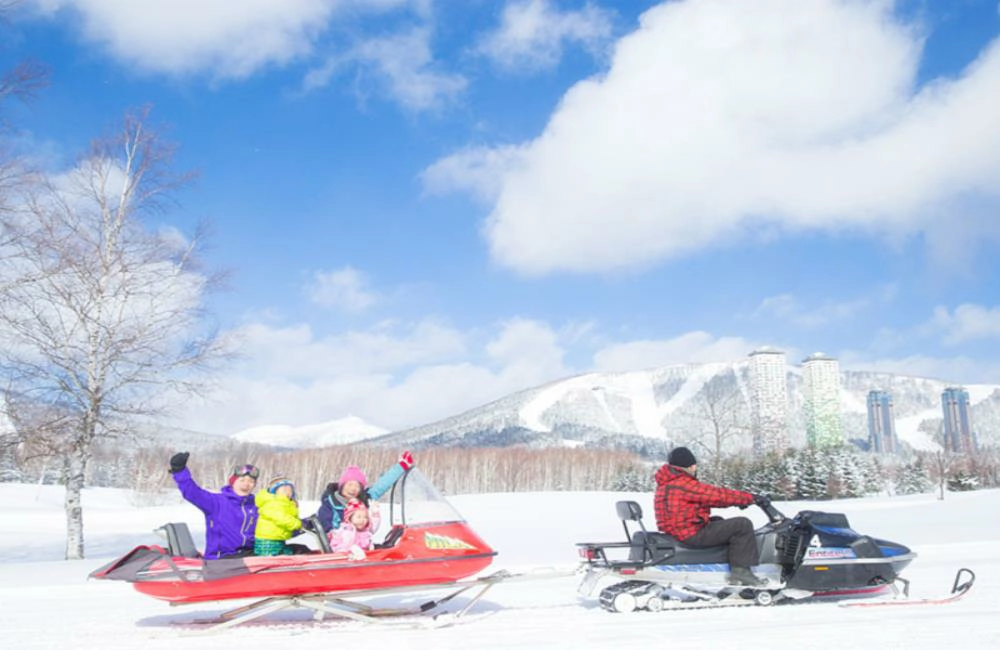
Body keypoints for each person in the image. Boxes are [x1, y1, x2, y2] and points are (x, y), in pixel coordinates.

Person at [653, 446, 767, 587]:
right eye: (694, 465)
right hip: (690, 533)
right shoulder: (682, 484)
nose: (695, 468)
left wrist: (738, 502)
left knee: (718, 521)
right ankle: (741, 573)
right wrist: (750, 498)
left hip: (678, 530)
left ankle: (725, 565)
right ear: (690, 466)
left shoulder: (667, 484)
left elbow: (705, 500)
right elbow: (716, 495)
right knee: (742, 525)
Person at [169, 452, 259, 560]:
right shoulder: (216, 502)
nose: (246, 484)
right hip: (222, 558)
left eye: (251, 481)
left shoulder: (257, 504)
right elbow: (192, 492)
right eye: (242, 480)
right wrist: (179, 471)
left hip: (250, 555)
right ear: (233, 483)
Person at [313, 451, 414, 534]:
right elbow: (326, 530)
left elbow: (381, 485)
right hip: (339, 549)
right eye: (349, 485)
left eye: (357, 486)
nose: (353, 489)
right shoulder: (329, 505)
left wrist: (402, 466)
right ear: (341, 486)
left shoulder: (363, 500)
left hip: (362, 546)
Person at [254, 477, 306, 556]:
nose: (287, 492)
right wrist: (297, 524)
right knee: (271, 557)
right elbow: (281, 518)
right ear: (275, 491)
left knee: (284, 553)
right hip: (268, 539)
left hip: (278, 538)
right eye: (284, 489)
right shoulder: (272, 503)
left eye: (290, 489)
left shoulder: (285, 503)